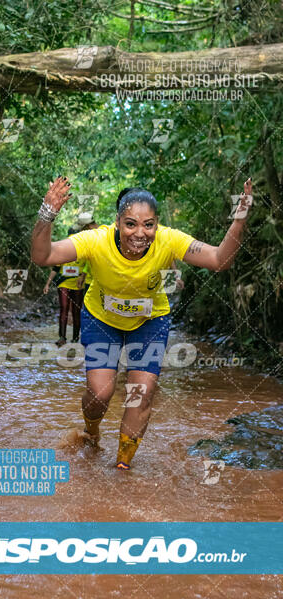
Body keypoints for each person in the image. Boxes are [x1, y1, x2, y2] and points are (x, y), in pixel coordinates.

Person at [32, 176, 252, 470]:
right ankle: (92, 432)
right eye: (131, 224)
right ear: (117, 223)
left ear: (157, 224)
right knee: (100, 394)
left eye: (148, 225)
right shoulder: (95, 240)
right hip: (101, 319)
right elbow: (42, 255)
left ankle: (122, 467)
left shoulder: (168, 239)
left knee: (142, 393)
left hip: (150, 322)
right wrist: (47, 213)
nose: (140, 233)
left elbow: (218, 259)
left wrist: (239, 219)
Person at [43, 227, 85, 346]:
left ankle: (76, 338)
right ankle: (62, 337)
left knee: (76, 312)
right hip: (64, 284)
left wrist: (83, 277)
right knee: (64, 309)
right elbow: (56, 268)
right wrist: (47, 283)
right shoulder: (63, 251)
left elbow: (89, 266)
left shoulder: (84, 251)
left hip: (78, 285)